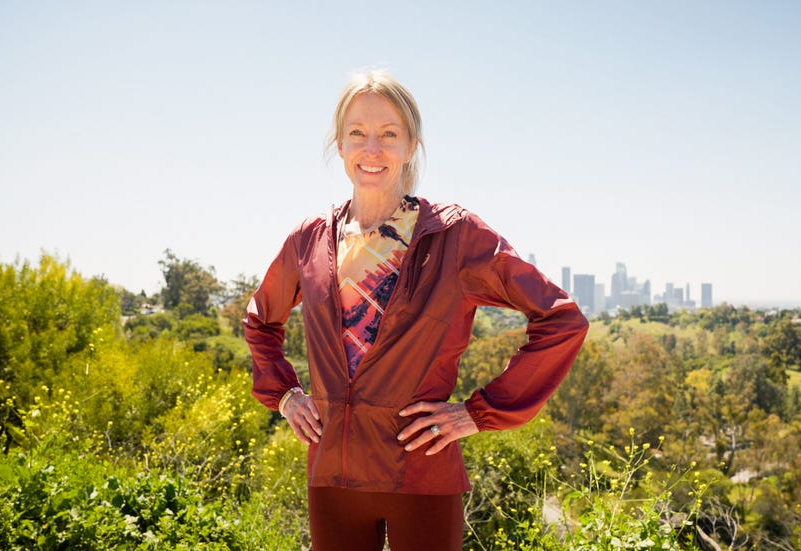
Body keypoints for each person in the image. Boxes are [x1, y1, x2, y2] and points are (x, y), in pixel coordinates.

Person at [243, 70, 588, 551]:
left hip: (421, 474)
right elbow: (260, 321)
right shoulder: (310, 238)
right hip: (332, 480)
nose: (372, 149)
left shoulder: (456, 234)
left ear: (411, 145)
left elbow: (561, 320)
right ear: (339, 145)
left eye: (389, 134)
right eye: (357, 134)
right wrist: (285, 395)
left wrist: (476, 413)